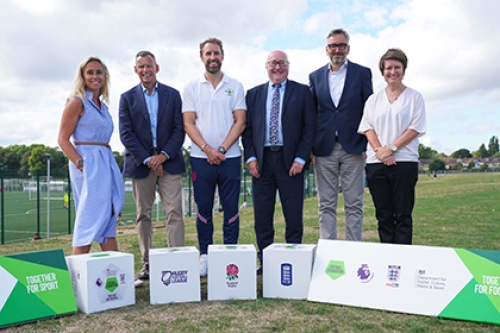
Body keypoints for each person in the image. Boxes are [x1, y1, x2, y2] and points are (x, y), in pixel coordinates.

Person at [242, 50, 317, 269]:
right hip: (262, 162)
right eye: (273, 63)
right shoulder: (253, 94)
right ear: (266, 66)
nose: (278, 67)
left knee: (293, 216)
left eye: (282, 63)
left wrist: (301, 159)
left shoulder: (303, 92)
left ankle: (293, 260)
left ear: (288, 66)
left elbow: (309, 128)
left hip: (291, 162)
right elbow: (247, 130)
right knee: (262, 217)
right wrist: (251, 158)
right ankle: (265, 261)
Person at [119, 51, 186, 280]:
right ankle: (147, 263)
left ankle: (176, 258)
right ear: (135, 70)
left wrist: (163, 156)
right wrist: (148, 159)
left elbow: (179, 129)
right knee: (143, 215)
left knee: (174, 211)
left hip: (170, 161)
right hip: (141, 164)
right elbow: (126, 134)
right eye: (141, 66)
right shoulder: (127, 98)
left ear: (157, 68)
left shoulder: (173, 95)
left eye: (149, 66)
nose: (145, 70)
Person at [182, 38, 246, 277]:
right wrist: (208, 149)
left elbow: (240, 121)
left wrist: (221, 148)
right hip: (201, 158)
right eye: (208, 53)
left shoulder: (235, 85)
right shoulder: (191, 87)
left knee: (230, 208)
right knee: (204, 209)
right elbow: (188, 124)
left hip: (230, 157)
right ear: (202, 57)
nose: (212, 57)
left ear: (222, 55)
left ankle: (229, 254)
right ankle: (205, 255)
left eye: (216, 53)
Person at [309, 28, 373, 241]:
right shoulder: (315, 77)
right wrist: (309, 148)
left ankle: (352, 252)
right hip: (323, 148)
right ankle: (328, 251)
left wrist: (368, 144)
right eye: (333, 46)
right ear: (327, 49)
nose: (337, 50)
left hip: (353, 146)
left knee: (354, 204)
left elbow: (369, 110)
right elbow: (311, 114)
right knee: (325, 204)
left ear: (348, 48)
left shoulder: (362, 73)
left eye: (341, 45)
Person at [357, 48, 426, 244]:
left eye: (397, 67)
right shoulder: (373, 100)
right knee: (384, 215)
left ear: (403, 69)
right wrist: (381, 152)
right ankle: (388, 259)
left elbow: (415, 128)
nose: (393, 71)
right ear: (382, 71)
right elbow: (367, 128)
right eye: (388, 68)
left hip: (404, 162)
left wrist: (392, 149)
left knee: (403, 215)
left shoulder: (415, 97)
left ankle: (403, 258)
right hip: (376, 164)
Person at [58, 56, 125, 255]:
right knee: (90, 215)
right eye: (90, 72)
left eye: (99, 72)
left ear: (105, 76)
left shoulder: (103, 106)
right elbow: (62, 139)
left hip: (106, 160)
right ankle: (76, 274)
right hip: (89, 162)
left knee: (109, 214)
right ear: (83, 76)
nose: (95, 76)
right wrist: (81, 163)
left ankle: (115, 271)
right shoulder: (77, 102)